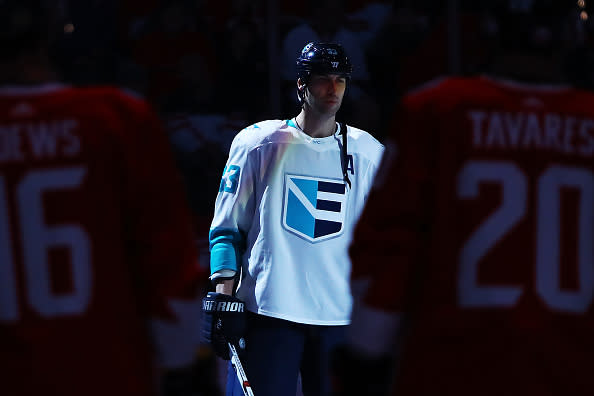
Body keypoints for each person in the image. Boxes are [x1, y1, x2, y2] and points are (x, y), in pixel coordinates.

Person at [335, 1, 594, 395]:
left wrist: (366, 350)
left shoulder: (437, 109)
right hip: (573, 365)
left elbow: (392, 245)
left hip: (452, 366)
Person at [0, 1, 209, 395]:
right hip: (106, 373)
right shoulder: (117, 118)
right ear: (56, 28)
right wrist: (181, 366)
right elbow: (169, 267)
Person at [202, 42, 384, 396]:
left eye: (340, 80)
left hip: (339, 319)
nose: (333, 89)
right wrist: (224, 293)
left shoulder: (368, 152)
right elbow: (226, 229)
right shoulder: (259, 143)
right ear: (301, 84)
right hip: (269, 312)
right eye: (322, 80)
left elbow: (383, 241)